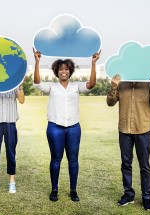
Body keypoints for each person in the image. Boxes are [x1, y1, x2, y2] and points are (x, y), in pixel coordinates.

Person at [33, 48, 100, 202]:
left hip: (73, 128)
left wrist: (93, 63)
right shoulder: (52, 86)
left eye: (66, 69)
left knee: (73, 160)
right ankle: (54, 189)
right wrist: (37, 62)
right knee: (56, 159)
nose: (64, 71)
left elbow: (91, 84)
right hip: (55, 127)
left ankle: (73, 190)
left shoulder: (76, 86)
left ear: (70, 71)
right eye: (61, 69)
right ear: (57, 72)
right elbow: (37, 83)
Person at [106, 74, 150, 211]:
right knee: (126, 164)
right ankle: (128, 194)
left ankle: (146, 197)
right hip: (124, 130)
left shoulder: (148, 83)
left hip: (143, 129)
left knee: (144, 166)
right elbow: (110, 102)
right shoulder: (121, 83)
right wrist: (113, 87)